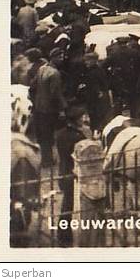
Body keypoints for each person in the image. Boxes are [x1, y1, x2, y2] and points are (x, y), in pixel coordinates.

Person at [54, 105, 91, 247]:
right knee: (71, 206)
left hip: (63, 172)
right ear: (75, 120)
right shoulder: (78, 136)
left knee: (67, 205)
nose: (85, 118)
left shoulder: (60, 134)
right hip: (74, 174)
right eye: (82, 116)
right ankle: (67, 237)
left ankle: (63, 235)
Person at [33, 48, 67, 167]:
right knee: (57, 133)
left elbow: (33, 87)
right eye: (60, 57)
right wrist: (62, 109)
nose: (62, 59)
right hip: (51, 110)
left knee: (44, 135)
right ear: (54, 58)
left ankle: (46, 160)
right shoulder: (55, 73)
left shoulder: (41, 69)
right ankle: (58, 158)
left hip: (39, 108)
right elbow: (55, 94)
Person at [77, 52, 113, 133]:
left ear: (94, 60)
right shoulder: (94, 70)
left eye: (88, 60)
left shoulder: (95, 72)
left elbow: (99, 86)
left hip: (96, 100)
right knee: (96, 119)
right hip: (94, 99)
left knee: (97, 119)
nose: (86, 62)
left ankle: (97, 133)